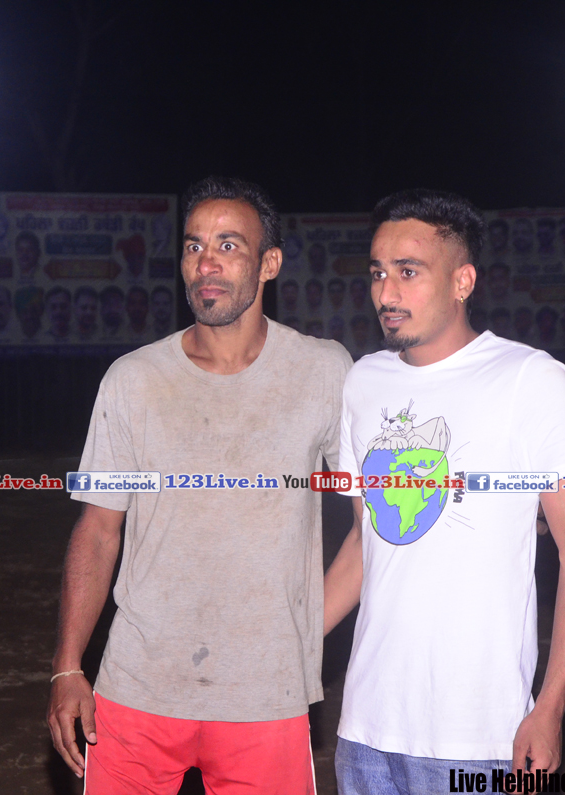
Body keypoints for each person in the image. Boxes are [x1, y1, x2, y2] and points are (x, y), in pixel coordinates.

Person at [46, 176, 352, 794]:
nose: (206, 262)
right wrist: (66, 666)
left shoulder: (324, 371)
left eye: (228, 246)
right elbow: (99, 529)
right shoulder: (133, 379)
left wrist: (300, 628)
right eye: (194, 246)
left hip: (266, 697)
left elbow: (377, 522)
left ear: (270, 264)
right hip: (136, 687)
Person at [323, 189, 565, 791]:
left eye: (408, 272)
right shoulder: (362, 382)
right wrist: (288, 646)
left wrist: (551, 706)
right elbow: (363, 543)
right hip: (365, 729)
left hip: (478, 738)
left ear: (463, 281)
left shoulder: (531, 378)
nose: (386, 292)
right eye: (377, 272)